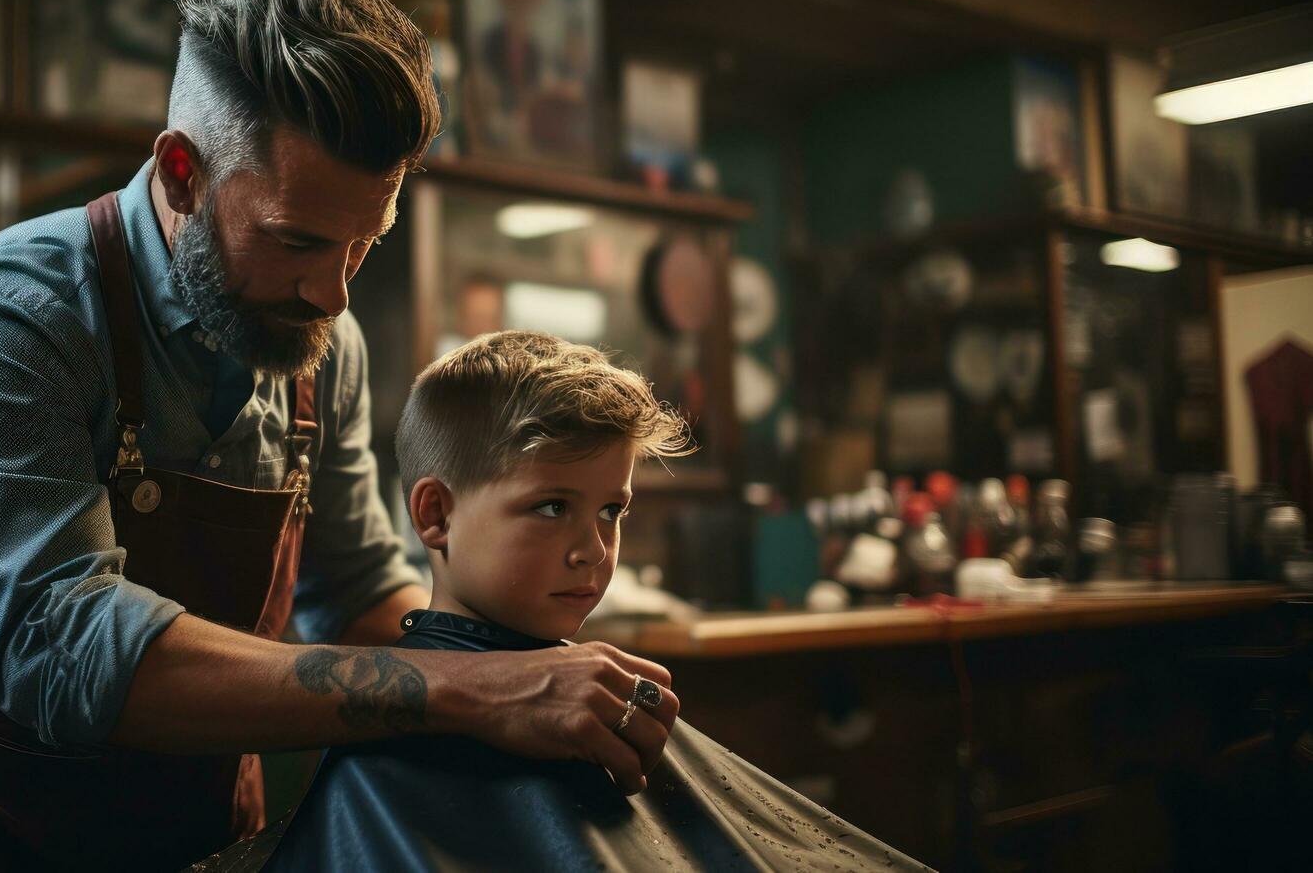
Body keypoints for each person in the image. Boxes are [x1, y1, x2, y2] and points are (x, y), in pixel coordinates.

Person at [0, 0, 678, 872]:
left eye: (365, 245)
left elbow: (356, 589)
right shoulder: (4, 325)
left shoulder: (321, 347)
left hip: (206, 843)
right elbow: (62, 651)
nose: (333, 295)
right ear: (182, 171)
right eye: (297, 241)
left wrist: (530, 668)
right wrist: (472, 688)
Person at [201, 331, 931, 871]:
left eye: (612, 510)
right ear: (435, 516)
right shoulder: (387, 752)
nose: (594, 548)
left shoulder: (589, 692)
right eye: (552, 507)